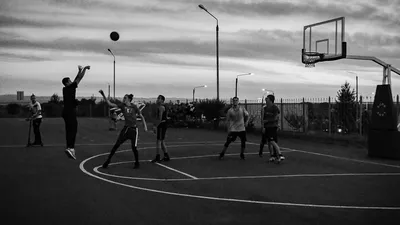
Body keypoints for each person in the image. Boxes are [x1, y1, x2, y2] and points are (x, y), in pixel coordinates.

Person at [99, 90, 148, 169]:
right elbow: (110, 104)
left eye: (125, 98)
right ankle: (107, 161)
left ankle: (137, 163)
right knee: (116, 145)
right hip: (126, 129)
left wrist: (145, 126)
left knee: (134, 148)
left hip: (134, 130)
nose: (123, 99)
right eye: (123, 98)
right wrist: (103, 94)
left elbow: (141, 116)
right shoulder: (122, 106)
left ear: (129, 99)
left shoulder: (134, 106)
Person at [62, 65, 90, 160]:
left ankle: (69, 147)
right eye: (69, 81)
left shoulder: (65, 89)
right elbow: (79, 78)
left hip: (65, 112)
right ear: (67, 83)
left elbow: (76, 79)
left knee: (68, 129)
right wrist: (85, 69)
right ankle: (71, 148)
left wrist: (79, 70)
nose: (71, 81)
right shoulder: (70, 87)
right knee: (73, 128)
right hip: (70, 112)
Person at [259, 94, 285, 162]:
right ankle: (272, 156)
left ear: (270, 100)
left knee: (272, 141)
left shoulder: (275, 107)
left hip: (273, 126)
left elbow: (276, 118)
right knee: (269, 142)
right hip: (267, 127)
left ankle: (279, 154)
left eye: (267, 98)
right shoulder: (264, 108)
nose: (265, 99)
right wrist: (263, 127)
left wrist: (268, 121)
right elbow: (262, 118)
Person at [151, 95, 170, 163]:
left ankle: (158, 156)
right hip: (162, 124)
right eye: (157, 98)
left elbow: (160, 118)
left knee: (159, 141)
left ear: (162, 100)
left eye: (159, 98)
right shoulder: (160, 107)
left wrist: (155, 126)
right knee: (162, 141)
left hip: (162, 125)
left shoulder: (161, 107)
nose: (157, 99)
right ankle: (166, 155)